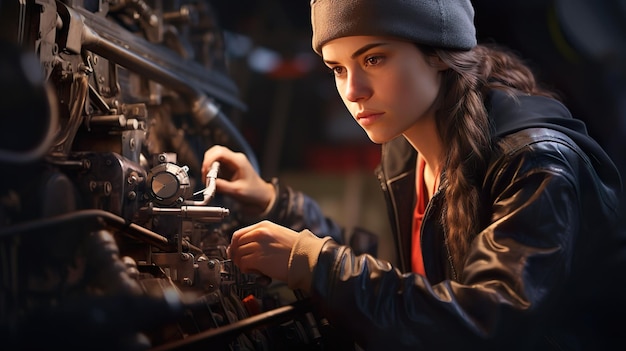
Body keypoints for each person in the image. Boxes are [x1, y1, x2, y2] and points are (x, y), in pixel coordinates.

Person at [201, 0, 626, 349]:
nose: (353, 91)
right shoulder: (406, 150)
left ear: (438, 53)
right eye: (338, 68)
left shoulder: (534, 162)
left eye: (374, 58)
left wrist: (319, 266)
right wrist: (277, 206)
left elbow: (486, 325)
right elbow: (407, 285)